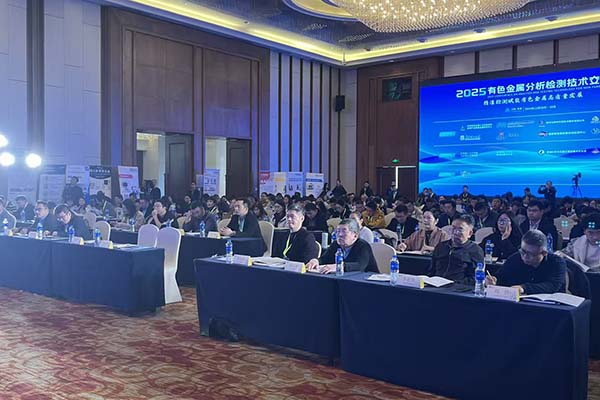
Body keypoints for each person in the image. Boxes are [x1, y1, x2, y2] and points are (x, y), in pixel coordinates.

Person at [487, 230, 566, 295]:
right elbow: (501, 275)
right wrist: (494, 279)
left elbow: (553, 285)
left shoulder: (557, 262)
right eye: (523, 251)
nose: (525, 256)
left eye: (530, 254)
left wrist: (524, 288)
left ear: (544, 253)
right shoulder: (516, 258)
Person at [306, 219, 378, 274]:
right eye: (338, 231)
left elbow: (360, 265)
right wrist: (316, 261)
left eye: (344, 231)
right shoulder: (336, 244)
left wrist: (339, 266)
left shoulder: (363, 245)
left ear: (355, 236)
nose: (340, 235)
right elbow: (325, 258)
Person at [429, 215, 484, 284]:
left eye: (460, 229)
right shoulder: (441, 246)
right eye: (453, 228)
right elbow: (432, 270)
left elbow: (475, 278)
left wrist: (456, 283)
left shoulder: (475, 250)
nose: (455, 232)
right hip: (436, 285)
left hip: (458, 287)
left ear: (470, 233)